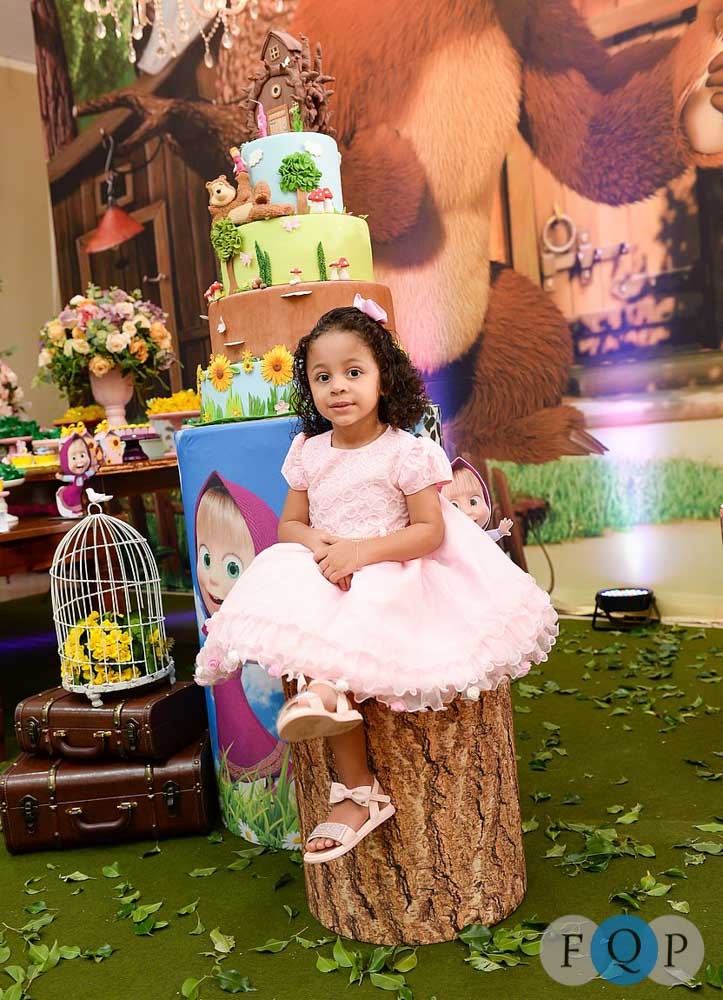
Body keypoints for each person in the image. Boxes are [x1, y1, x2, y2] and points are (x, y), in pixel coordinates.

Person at [195, 297, 558, 864]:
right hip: (328, 564)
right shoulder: (310, 452)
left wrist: (360, 554)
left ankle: (336, 720)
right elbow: (291, 524)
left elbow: (429, 532)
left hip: (391, 565)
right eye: (322, 377)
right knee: (311, 617)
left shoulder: (407, 453)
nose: (338, 387)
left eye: (353, 372)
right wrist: (321, 546)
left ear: (383, 378)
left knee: (356, 626)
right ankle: (357, 787)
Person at [194, 472, 287, 782]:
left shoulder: (275, 636)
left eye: (232, 567)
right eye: (206, 558)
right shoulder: (213, 630)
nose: (213, 580)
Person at [441, 456, 514, 542]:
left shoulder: (479, 536)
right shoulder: (451, 541)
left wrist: (500, 532)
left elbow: (487, 537)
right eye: (454, 506)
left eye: (473, 502)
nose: (468, 511)